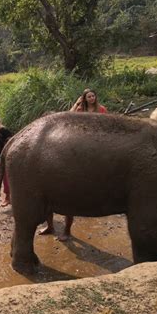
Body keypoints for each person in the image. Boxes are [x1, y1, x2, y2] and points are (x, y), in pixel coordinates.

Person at [40, 88, 108, 241]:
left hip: (89, 146)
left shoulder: (101, 110)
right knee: (46, 198)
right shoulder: (78, 110)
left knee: (67, 199)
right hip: (66, 157)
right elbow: (69, 115)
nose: (91, 98)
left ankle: (66, 230)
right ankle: (50, 226)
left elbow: (105, 129)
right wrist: (77, 102)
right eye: (88, 96)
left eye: (93, 96)